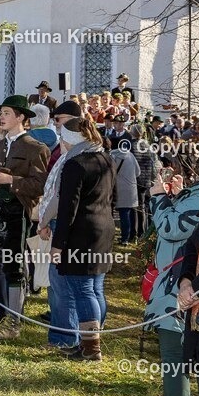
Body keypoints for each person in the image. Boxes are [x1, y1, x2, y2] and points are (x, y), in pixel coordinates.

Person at [139, 147, 199, 396]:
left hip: (182, 287)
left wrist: (158, 196)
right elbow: (191, 232)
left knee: (174, 353)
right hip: (189, 283)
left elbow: (171, 228)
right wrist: (179, 197)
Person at [0, 95, 49, 340]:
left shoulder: (36, 148)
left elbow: (40, 185)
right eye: (1, 113)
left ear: (21, 117)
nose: (1, 116)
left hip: (17, 214)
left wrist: (11, 180)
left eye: (6, 113)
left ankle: (13, 323)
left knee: (13, 267)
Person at [49, 114, 114, 361]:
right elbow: (113, 198)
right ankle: (91, 341)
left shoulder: (74, 164)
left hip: (81, 233)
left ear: (70, 139)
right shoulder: (105, 158)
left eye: (63, 138)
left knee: (84, 289)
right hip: (103, 228)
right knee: (95, 288)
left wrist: (58, 245)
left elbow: (68, 208)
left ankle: (91, 348)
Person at [38, 100, 85, 353]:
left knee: (63, 286)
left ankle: (65, 337)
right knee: (59, 285)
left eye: (60, 120)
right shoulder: (65, 151)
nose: (56, 125)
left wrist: (46, 220)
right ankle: (64, 333)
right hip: (60, 222)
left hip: (68, 226)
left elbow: (62, 197)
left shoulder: (76, 157)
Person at [110, 139, 141, 245]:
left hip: (118, 188)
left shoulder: (113, 156)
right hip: (131, 188)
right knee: (128, 213)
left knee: (122, 214)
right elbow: (138, 172)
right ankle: (129, 237)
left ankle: (123, 238)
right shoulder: (130, 155)